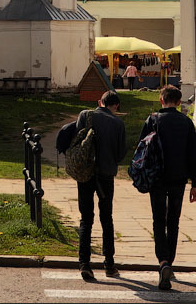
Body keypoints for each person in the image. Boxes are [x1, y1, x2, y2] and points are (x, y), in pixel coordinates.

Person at [137, 84, 196, 291]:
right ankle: (169, 263)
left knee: (158, 219)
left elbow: (141, 148)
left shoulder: (152, 120)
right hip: (178, 179)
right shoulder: (186, 122)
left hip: (156, 177)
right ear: (179, 102)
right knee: (173, 221)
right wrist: (195, 183)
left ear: (161, 100)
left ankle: (162, 260)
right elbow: (193, 154)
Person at [74, 90, 128, 281]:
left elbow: (76, 142)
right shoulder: (118, 124)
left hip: (85, 173)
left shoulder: (85, 115)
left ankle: (84, 264)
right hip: (106, 174)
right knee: (107, 218)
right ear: (116, 106)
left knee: (86, 218)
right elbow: (121, 154)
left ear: (100, 102)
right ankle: (109, 265)